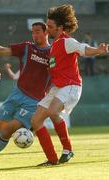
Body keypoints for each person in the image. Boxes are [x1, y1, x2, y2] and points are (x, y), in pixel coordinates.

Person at [31, 4, 109, 166]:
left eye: (50, 27)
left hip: (71, 85)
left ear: (60, 28)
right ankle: (52, 159)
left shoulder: (67, 41)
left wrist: (97, 50)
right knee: (36, 121)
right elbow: (53, 69)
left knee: (53, 111)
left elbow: (83, 49)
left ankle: (68, 149)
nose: (47, 30)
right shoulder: (54, 45)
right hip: (58, 87)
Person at [0, 22, 52, 167]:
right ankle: (29, 128)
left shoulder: (53, 52)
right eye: (33, 32)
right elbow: (4, 51)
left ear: (46, 32)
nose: (35, 34)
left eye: (38, 31)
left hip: (33, 102)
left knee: (7, 130)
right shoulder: (27, 47)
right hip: (16, 94)